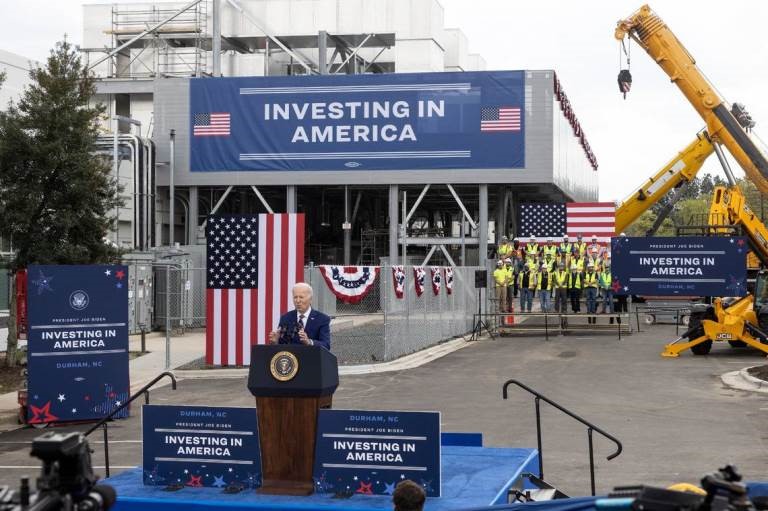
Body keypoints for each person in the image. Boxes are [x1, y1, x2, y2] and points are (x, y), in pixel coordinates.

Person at [268, 283, 331, 350]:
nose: (298, 301)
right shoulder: (285, 318)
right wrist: (275, 342)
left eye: (301, 297)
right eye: (295, 297)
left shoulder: (322, 319)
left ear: (310, 299)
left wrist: (309, 342)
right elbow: (281, 344)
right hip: (290, 359)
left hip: (311, 358)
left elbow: (326, 345)